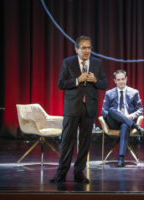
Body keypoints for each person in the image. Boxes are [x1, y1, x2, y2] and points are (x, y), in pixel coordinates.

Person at [50, 35, 107, 184]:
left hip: (89, 108)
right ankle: (61, 174)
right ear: (77, 49)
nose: (87, 50)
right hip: (72, 108)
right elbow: (61, 84)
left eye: (89, 48)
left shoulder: (97, 63)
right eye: (84, 48)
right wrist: (77, 80)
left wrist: (95, 80)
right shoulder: (68, 62)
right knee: (67, 141)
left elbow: (104, 84)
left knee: (85, 142)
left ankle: (79, 172)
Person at [101, 70, 144, 167]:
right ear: (114, 81)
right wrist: (116, 114)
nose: (121, 81)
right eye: (118, 80)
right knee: (112, 110)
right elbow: (103, 111)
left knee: (125, 125)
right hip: (114, 122)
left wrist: (131, 116)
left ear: (126, 79)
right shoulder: (109, 93)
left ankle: (121, 159)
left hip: (126, 121)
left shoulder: (134, 92)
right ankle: (135, 126)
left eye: (123, 79)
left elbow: (140, 110)